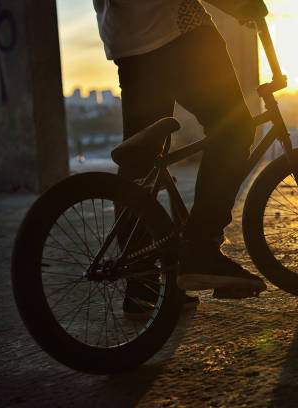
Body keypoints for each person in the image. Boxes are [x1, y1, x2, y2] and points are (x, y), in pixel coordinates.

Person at [92, 0, 268, 317]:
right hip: (176, 27)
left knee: (141, 159)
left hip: (128, 39)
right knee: (234, 128)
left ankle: (142, 285)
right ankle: (200, 247)